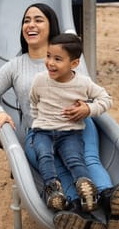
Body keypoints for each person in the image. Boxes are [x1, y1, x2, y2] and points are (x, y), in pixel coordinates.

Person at [0, 3, 119, 229]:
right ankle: (75, 211)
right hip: (40, 132)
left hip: (77, 126)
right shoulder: (16, 66)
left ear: (51, 26)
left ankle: (109, 200)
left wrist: (87, 107)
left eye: (38, 20)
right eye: (26, 20)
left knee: (88, 159)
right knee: (58, 167)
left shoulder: (71, 59)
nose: (30, 25)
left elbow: (90, 91)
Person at [29, 33, 112, 215]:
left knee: (74, 159)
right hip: (43, 130)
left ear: (74, 64)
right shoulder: (40, 80)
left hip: (70, 132)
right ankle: (54, 190)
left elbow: (106, 99)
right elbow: (34, 103)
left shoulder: (83, 83)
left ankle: (86, 188)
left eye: (58, 59)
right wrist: (38, 121)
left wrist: (88, 109)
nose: (50, 62)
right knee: (44, 155)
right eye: (48, 56)